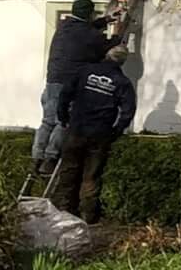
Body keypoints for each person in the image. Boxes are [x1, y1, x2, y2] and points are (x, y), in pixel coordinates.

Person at [50, 44, 136, 224]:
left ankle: (62, 212)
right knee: (91, 176)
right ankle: (88, 217)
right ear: (122, 62)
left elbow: (65, 93)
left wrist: (63, 116)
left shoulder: (85, 71)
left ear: (107, 55)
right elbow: (128, 111)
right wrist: (117, 130)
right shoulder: (122, 82)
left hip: (77, 128)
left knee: (68, 171)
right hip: (100, 133)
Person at [32, 0, 112, 173]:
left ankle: (37, 157)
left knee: (47, 121)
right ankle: (50, 158)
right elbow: (102, 48)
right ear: (89, 14)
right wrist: (116, 40)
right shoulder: (91, 36)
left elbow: (84, 29)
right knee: (63, 121)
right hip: (70, 84)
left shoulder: (63, 27)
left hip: (52, 80)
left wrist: (105, 20)